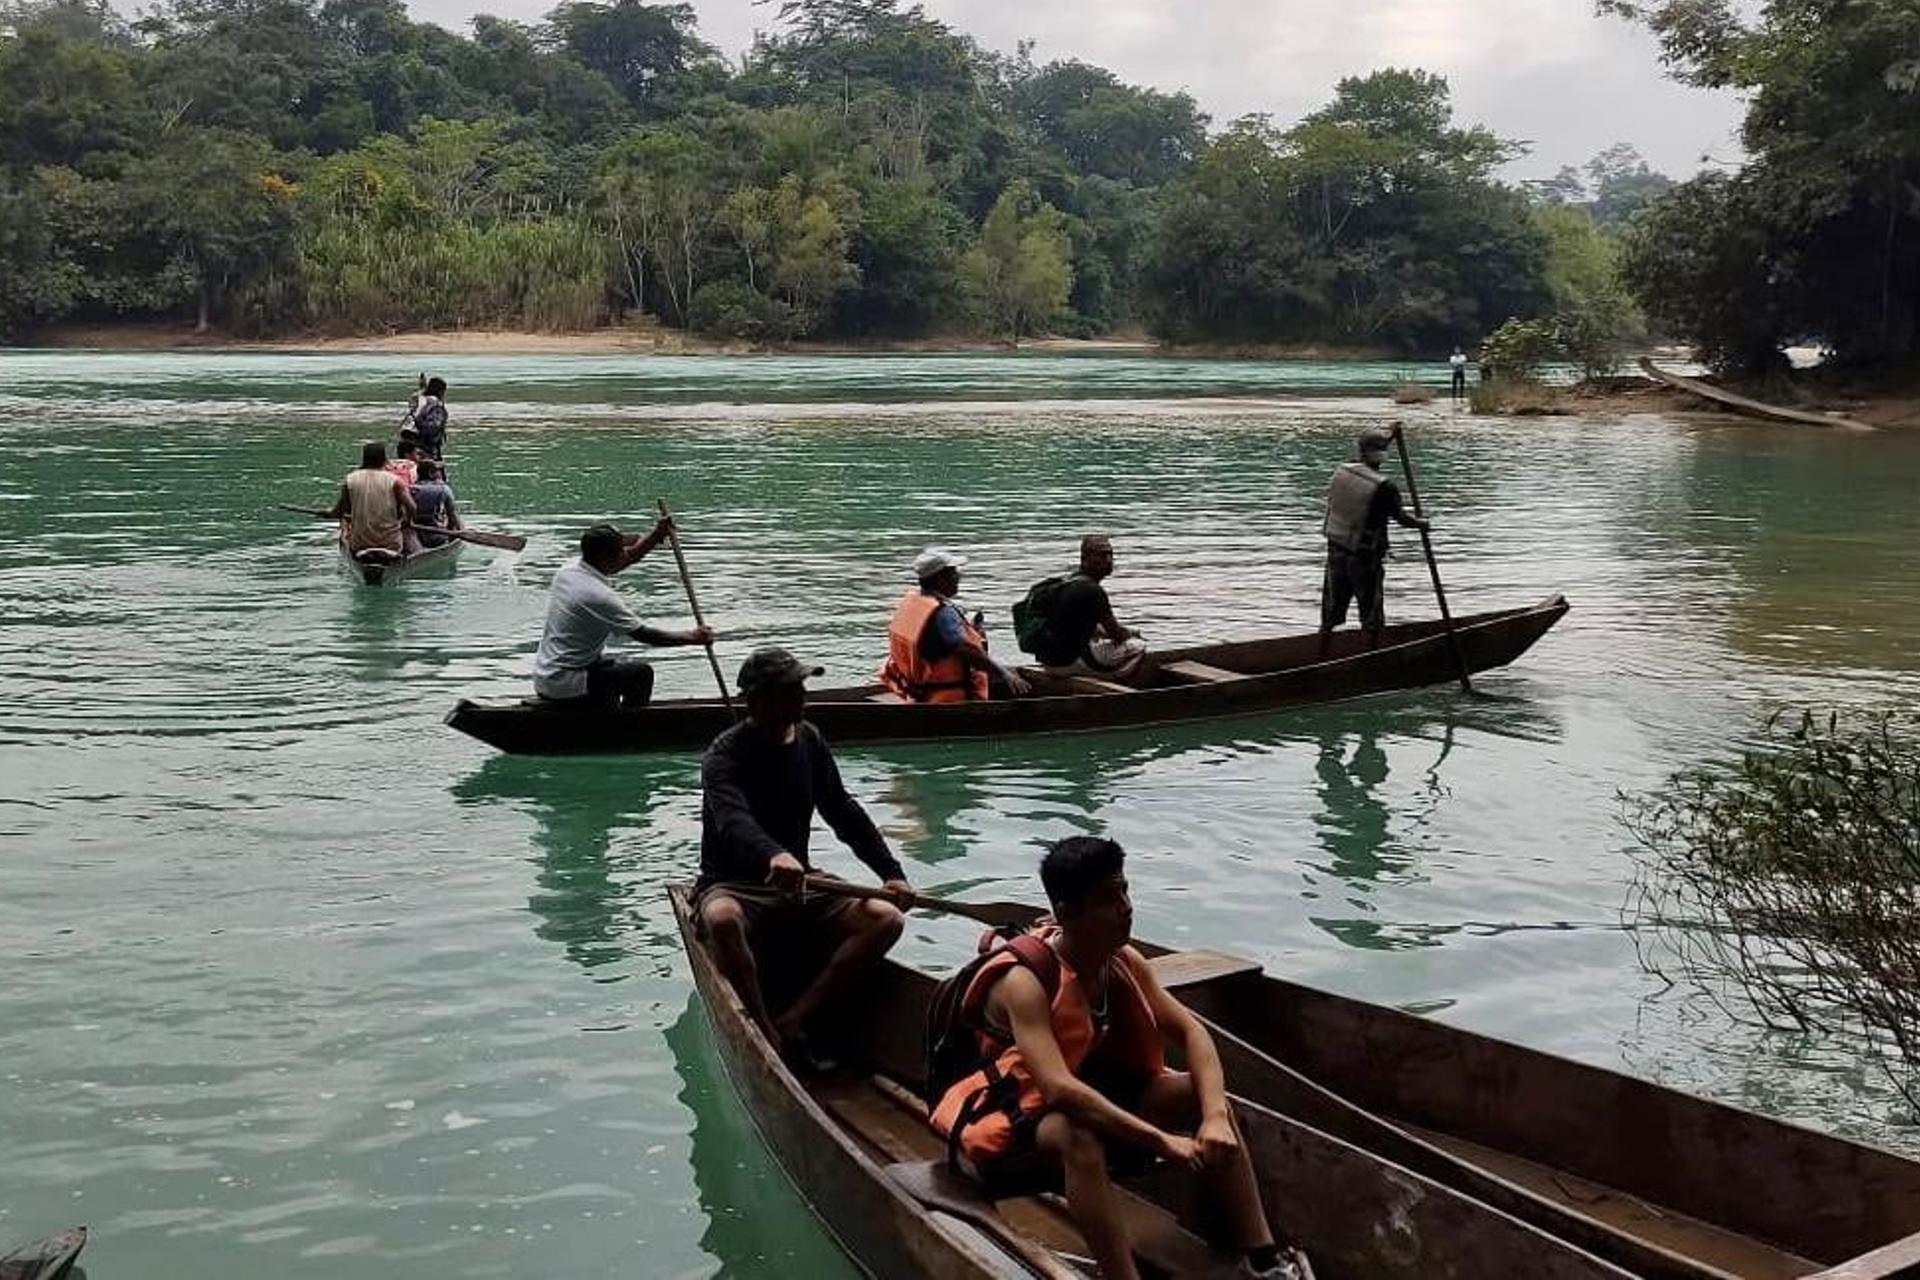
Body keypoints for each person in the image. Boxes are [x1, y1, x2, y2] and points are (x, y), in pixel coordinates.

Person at [930, 837, 1312, 1280]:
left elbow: (1192, 1031)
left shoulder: (1122, 960)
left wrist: (1213, 1118)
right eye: (1108, 900)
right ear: (1067, 913)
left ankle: (1262, 1261)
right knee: (1078, 1138)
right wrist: (1160, 1140)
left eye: (1125, 891)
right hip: (1014, 1118)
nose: (1126, 908)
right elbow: (1057, 1089)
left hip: (1087, 1098)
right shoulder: (1025, 981)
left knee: (1201, 1093)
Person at [697, 647, 915, 1066]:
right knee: (722, 919)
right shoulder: (723, 755)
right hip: (734, 883)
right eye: (790, 690)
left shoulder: (809, 739)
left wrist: (891, 873)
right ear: (757, 700)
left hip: (801, 881)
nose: (803, 698)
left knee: (886, 920)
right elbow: (732, 821)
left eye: (802, 688)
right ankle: (761, 1028)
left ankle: (797, 1018)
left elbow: (841, 810)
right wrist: (773, 854)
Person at [530, 521, 713, 711]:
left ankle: (610, 711)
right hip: (566, 683)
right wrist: (693, 637)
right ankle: (627, 729)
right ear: (604, 556)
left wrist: (655, 536)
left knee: (612, 664)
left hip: (547, 675)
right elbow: (646, 635)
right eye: (619, 550)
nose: (625, 552)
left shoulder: (569, 570)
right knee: (641, 673)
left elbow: (629, 556)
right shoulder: (597, 596)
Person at [1319, 426, 1428, 652]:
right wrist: (1422, 524)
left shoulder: (1342, 473)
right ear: (1382, 456)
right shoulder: (1384, 486)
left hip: (1336, 552)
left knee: (1331, 610)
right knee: (1371, 613)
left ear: (1360, 451)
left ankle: (1321, 652)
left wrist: (1388, 436)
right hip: (1364, 559)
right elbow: (1401, 518)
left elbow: (1360, 459)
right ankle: (1372, 657)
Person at [880, 548, 1031, 702]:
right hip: (946, 697)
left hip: (915, 692)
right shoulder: (943, 612)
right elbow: (963, 648)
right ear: (940, 579)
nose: (958, 576)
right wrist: (1003, 673)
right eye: (953, 572)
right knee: (1007, 677)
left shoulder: (915, 602)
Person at [1023, 535, 1147, 679]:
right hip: (1070, 663)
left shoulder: (1067, 583)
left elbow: (1077, 627)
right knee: (1138, 646)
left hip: (1048, 663)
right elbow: (1116, 634)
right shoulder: (1093, 591)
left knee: (1100, 642)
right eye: (1101, 555)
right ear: (1084, 559)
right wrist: (1131, 634)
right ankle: (1113, 677)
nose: (1107, 560)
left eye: (1109, 555)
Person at [326, 440, 414, 559]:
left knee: (347, 531)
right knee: (409, 538)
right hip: (391, 544)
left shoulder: (350, 480)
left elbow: (340, 511)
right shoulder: (396, 481)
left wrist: (329, 513)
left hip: (359, 544)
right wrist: (406, 522)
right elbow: (412, 508)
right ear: (384, 459)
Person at [408, 458, 463, 548]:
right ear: (431, 473)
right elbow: (453, 516)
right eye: (438, 471)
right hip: (438, 536)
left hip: (416, 536)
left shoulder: (410, 489)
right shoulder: (444, 489)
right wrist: (457, 532)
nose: (441, 474)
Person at [402, 376, 450, 460]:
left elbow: (417, 395)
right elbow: (433, 426)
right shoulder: (436, 404)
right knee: (430, 468)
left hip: (406, 436)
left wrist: (422, 386)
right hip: (423, 441)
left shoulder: (418, 399)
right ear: (440, 391)